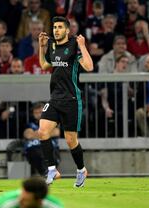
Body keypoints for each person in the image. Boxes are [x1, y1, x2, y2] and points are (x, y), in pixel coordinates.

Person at [38, 16, 94, 186]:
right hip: (55, 98)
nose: (56, 30)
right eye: (54, 27)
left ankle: (81, 169)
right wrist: (41, 47)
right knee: (42, 131)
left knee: (71, 140)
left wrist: (83, 46)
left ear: (67, 30)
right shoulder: (52, 45)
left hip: (71, 99)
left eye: (60, 27)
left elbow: (89, 67)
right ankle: (52, 170)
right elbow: (45, 66)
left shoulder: (75, 45)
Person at [24, 102, 60, 176]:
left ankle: (47, 172)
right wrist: (46, 133)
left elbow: (56, 132)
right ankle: (47, 173)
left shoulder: (51, 122)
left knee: (47, 150)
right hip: (34, 149)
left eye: (40, 112)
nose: (38, 115)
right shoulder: (30, 124)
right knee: (36, 152)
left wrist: (35, 133)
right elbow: (28, 135)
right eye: (36, 113)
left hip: (51, 149)